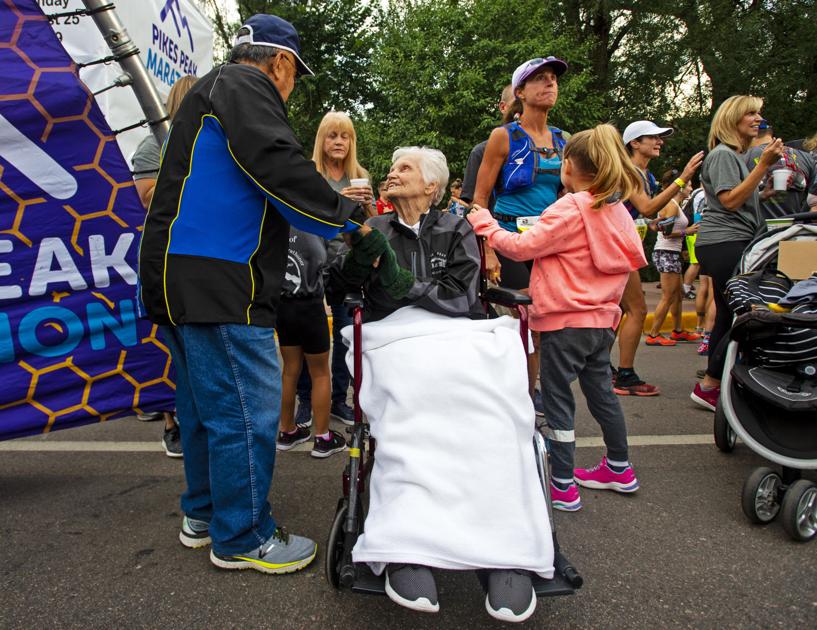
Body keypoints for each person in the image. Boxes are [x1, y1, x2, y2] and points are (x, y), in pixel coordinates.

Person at [138, 14, 371, 574]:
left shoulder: (212, 91)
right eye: (294, 77)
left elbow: (267, 184)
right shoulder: (245, 84)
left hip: (178, 273)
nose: (290, 90)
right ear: (281, 63)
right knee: (248, 409)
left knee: (203, 407)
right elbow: (278, 166)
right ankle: (243, 537)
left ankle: (204, 514)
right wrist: (351, 220)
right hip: (218, 276)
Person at [337, 147, 547, 622]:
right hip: (393, 338)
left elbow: (459, 298)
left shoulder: (456, 229)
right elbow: (340, 287)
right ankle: (407, 541)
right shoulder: (376, 229)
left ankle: (508, 548)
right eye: (392, 167)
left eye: (405, 168)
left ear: (432, 187)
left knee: (496, 416)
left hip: (455, 333)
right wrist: (354, 251)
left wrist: (402, 282)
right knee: (414, 417)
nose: (392, 173)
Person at [469, 123, 646, 513]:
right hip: (602, 323)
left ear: (568, 166)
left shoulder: (570, 207)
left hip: (563, 322)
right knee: (602, 395)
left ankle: (563, 485)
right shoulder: (616, 210)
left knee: (557, 402)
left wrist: (484, 222)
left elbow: (520, 247)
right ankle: (620, 466)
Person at [472, 57, 571, 411]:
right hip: (510, 240)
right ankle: (519, 395)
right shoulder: (503, 137)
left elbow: (574, 198)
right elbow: (478, 201)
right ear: (520, 92)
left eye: (553, 80)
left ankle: (531, 393)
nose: (550, 85)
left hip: (551, 243)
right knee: (524, 321)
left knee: (546, 325)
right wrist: (490, 251)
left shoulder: (565, 141)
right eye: (540, 80)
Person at [690, 95, 784, 411]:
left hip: (726, 241)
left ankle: (714, 385)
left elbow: (740, 197)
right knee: (744, 315)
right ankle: (711, 384)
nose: (758, 119)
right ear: (733, 119)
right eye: (751, 114)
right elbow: (729, 200)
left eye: (760, 113)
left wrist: (765, 190)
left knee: (728, 314)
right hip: (726, 241)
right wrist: (765, 166)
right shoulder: (722, 155)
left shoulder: (736, 157)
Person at [131, 74, 198, 458]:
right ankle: (172, 424)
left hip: (197, 260)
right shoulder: (151, 145)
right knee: (170, 352)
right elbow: (146, 198)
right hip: (163, 260)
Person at [293, 111, 373, 426]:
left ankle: (339, 399)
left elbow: (365, 226)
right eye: (332, 135)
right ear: (321, 140)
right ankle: (305, 401)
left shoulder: (360, 173)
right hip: (309, 262)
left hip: (344, 264)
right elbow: (301, 217)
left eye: (345, 136)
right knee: (305, 337)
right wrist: (337, 199)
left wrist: (367, 207)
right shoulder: (309, 173)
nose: (339, 141)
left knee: (344, 335)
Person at [614, 120, 704, 396]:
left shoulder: (646, 175)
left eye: (660, 138)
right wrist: (683, 178)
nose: (659, 142)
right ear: (634, 144)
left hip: (621, 244)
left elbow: (650, 215)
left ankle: (603, 371)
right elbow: (647, 206)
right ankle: (624, 376)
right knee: (637, 310)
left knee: (613, 312)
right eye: (652, 137)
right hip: (615, 245)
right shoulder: (630, 172)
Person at [275, 227, 347, 457]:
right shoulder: (312, 226)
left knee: (290, 371)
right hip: (310, 305)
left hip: (283, 306)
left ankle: (287, 431)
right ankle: (323, 437)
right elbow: (325, 260)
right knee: (320, 373)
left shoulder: (278, 221)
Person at [644, 170, 701, 346]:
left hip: (672, 253)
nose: (691, 188)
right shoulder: (671, 205)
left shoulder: (676, 205)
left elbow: (659, 226)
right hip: (666, 252)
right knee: (668, 296)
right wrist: (687, 231)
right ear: (680, 187)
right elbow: (666, 233)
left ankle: (677, 331)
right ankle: (654, 334)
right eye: (689, 185)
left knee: (677, 295)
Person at [744, 120, 817, 218]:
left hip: (757, 231)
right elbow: (813, 201)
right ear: (770, 133)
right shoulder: (807, 158)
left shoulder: (744, 156)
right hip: (794, 229)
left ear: (752, 135)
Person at [460, 83, 515, 210]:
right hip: (497, 226)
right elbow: (473, 203)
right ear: (503, 107)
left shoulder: (553, 147)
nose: (524, 107)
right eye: (517, 102)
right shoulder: (481, 152)